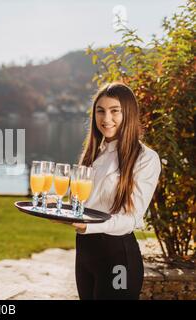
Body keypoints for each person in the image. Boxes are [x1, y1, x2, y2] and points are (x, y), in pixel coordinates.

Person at [70, 82, 161, 299]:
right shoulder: (94, 154)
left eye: (114, 111)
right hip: (85, 253)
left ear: (128, 113)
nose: (106, 119)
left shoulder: (146, 158)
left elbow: (132, 219)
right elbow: (83, 202)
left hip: (117, 257)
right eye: (100, 111)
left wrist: (87, 226)